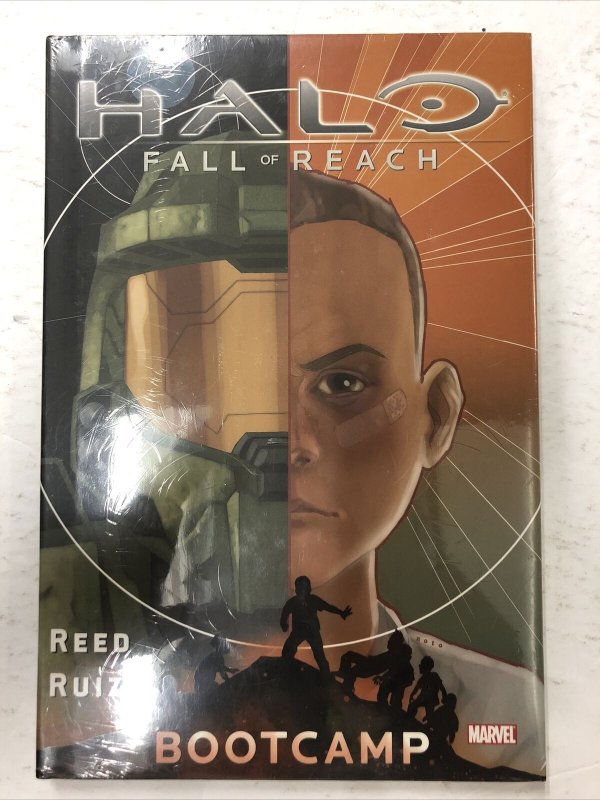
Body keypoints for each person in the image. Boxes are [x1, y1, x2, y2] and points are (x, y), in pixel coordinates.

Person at [287, 169, 545, 775]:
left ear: (436, 417)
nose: (291, 443)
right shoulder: (96, 723)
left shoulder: (520, 732)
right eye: (232, 387)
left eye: (341, 383)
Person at [280, 575, 352, 676]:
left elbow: (328, 607)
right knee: (289, 651)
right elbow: (284, 614)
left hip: (310, 631)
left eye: (304, 587)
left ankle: (326, 677)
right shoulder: (296, 602)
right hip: (302, 631)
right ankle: (286, 672)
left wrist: (341, 613)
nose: (302, 590)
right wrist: (283, 624)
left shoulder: (310, 600)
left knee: (319, 656)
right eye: (301, 587)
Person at [407, 656, 447, 723]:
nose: (419, 666)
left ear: (425, 667)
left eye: (421, 665)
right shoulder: (423, 678)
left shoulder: (434, 676)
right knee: (412, 706)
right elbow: (416, 689)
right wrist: (412, 696)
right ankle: (409, 719)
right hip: (425, 699)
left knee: (429, 714)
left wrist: (444, 697)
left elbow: (442, 688)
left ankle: (428, 723)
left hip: (430, 700)